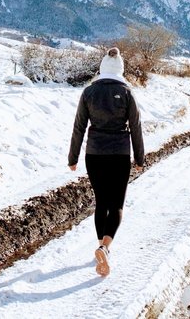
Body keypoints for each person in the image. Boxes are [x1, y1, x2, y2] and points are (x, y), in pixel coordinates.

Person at [68, 47, 144, 277]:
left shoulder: (89, 92)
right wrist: (140, 158)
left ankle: (101, 246)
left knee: (101, 202)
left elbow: (79, 126)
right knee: (117, 205)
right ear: (120, 69)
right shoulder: (127, 92)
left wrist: (73, 157)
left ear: (101, 68)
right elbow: (136, 127)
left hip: (94, 155)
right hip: (119, 155)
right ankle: (105, 248)